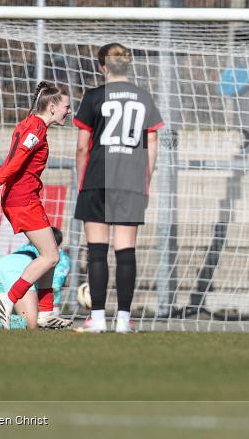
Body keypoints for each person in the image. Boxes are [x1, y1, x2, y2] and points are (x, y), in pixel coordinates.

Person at [72, 44, 163, 334]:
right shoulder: (143, 97)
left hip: (98, 177)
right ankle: (124, 320)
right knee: (126, 251)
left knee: (97, 250)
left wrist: (82, 181)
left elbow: (82, 146)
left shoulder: (93, 97)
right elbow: (152, 144)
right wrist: (145, 179)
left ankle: (98, 318)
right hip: (131, 180)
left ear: (103, 67)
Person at [0, 81, 72, 329]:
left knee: (50, 254)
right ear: (52, 107)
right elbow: (15, 161)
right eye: (66, 106)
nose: (69, 111)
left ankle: (46, 312)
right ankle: (9, 298)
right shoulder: (36, 128)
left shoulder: (31, 125)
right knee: (51, 256)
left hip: (25, 198)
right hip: (23, 200)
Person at [0, 227, 72, 330]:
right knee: (31, 324)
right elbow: (55, 283)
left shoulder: (28, 246)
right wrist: (54, 308)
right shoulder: (59, 255)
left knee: (15, 317)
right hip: (18, 269)